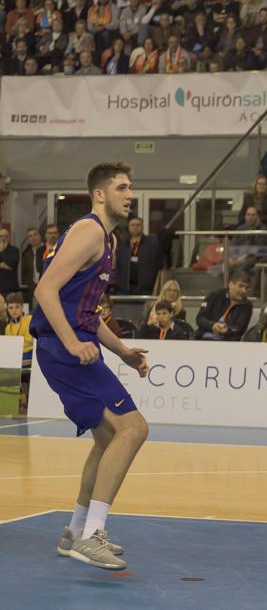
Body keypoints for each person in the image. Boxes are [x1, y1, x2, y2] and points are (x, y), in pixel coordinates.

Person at [30, 162, 150, 571]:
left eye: (130, 187)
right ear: (100, 194)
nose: (129, 194)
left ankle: (75, 531)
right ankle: (91, 535)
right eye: (122, 187)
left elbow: (86, 311)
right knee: (133, 429)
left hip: (70, 347)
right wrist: (70, 341)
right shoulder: (89, 232)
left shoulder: (107, 240)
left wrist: (122, 352)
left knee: (107, 440)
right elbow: (45, 290)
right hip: (62, 349)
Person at [195, 271, 253, 341]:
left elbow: (240, 329)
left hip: (227, 343)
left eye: (247, 288)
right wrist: (212, 325)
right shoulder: (215, 295)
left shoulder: (247, 306)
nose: (244, 291)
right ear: (231, 284)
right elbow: (200, 318)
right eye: (240, 286)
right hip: (203, 339)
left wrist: (227, 329)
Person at [113, 217, 162, 295]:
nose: (135, 227)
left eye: (138, 225)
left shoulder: (151, 243)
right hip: (125, 289)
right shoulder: (123, 245)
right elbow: (119, 266)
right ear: (129, 227)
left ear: (142, 227)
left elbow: (157, 264)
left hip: (145, 289)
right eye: (132, 225)